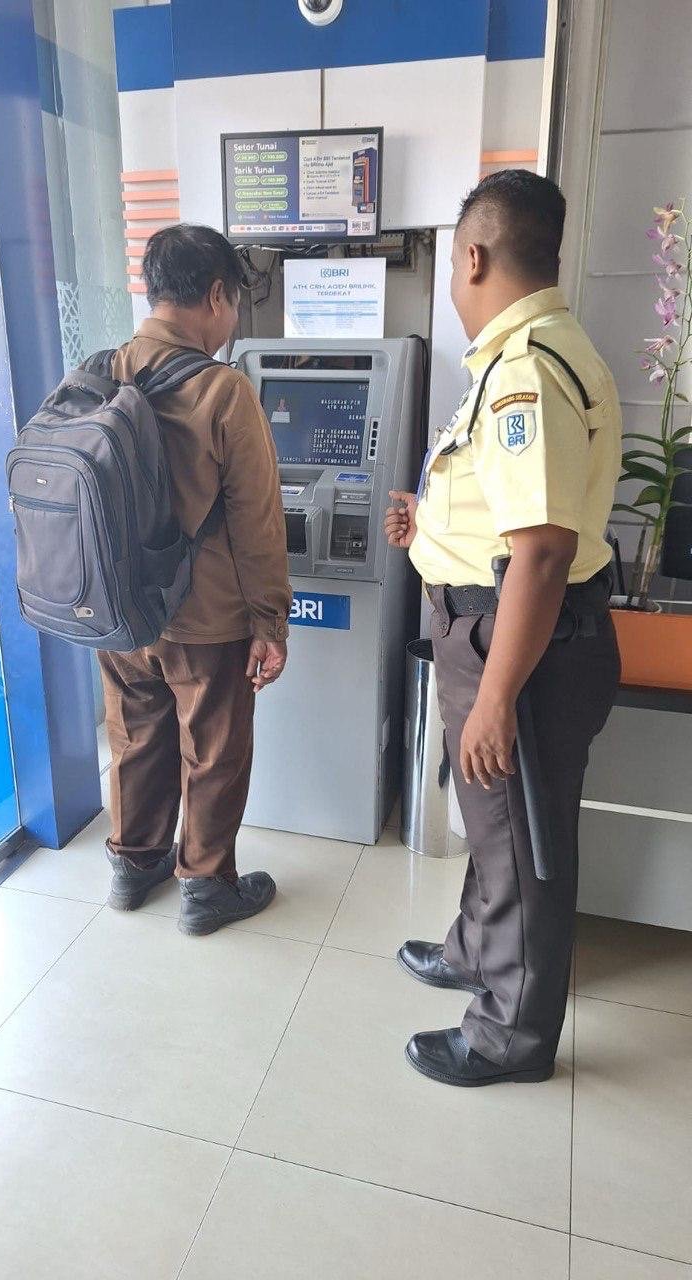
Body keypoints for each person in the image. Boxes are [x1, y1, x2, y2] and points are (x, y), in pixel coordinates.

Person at [385, 171, 621, 1085]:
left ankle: (509, 1037)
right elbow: (513, 516)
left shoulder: (524, 371)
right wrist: (431, 525)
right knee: (496, 828)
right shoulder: (530, 353)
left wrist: (495, 698)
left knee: (521, 842)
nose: (454, 280)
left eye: (452, 263)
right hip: (496, 631)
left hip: (518, 648)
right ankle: (474, 952)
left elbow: (545, 553)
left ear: (475, 257)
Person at [102, 224, 292, 936]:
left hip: (118, 611)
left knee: (134, 736)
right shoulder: (223, 390)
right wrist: (270, 621)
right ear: (216, 295)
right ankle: (207, 885)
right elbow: (257, 520)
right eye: (234, 302)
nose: (232, 318)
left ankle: (133, 864)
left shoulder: (101, 371)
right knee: (213, 750)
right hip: (205, 618)